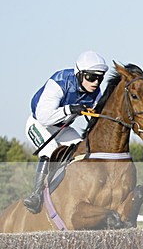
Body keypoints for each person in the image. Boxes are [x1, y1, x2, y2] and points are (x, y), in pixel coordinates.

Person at [22, 51, 108, 213]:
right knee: (51, 151)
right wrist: (70, 109)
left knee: (82, 152)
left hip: (63, 128)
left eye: (100, 78)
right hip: (39, 124)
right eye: (91, 77)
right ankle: (36, 195)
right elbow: (44, 118)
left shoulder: (96, 92)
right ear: (79, 74)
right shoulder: (59, 81)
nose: (96, 82)